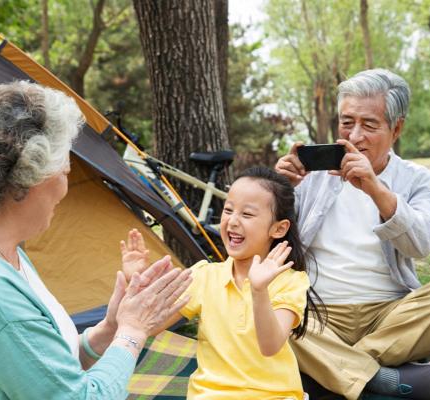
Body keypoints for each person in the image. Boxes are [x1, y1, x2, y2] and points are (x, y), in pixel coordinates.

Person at [0, 81, 192, 400]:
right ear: (31, 177)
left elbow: (45, 368)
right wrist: (133, 331)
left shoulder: (1, 248)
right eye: (63, 165)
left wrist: (110, 329)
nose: (67, 179)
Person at [275, 69, 430, 400]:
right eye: (347, 122)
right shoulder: (311, 178)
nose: (355, 136)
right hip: (317, 313)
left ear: (396, 128)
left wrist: (376, 190)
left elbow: (422, 244)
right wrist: (277, 193)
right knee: (261, 307)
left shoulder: (422, 181)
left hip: (389, 316)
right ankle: (378, 379)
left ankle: (330, 376)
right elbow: (267, 244)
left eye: (369, 125)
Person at [121, 166, 326, 399]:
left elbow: (270, 346)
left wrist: (259, 290)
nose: (233, 221)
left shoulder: (290, 281)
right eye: (228, 210)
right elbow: (148, 325)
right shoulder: (204, 276)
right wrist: (134, 284)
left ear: (279, 229)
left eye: (247, 214)